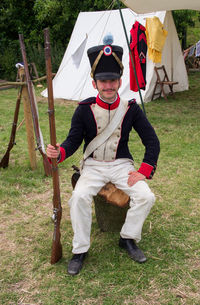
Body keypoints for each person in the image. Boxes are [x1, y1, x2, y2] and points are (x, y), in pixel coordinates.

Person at [46, 37, 160, 276]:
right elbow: (73, 140)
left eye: (112, 81)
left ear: (119, 81)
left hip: (121, 165)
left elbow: (152, 141)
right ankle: (80, 250)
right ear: (94, 83)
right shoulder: (84, 108)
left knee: (146, 196)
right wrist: (59, 152)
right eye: (103, 81)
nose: (108, 86)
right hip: (94, 166)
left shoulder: (131, 109)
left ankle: (128, 238)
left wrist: (144, 171)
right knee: (78, 198)